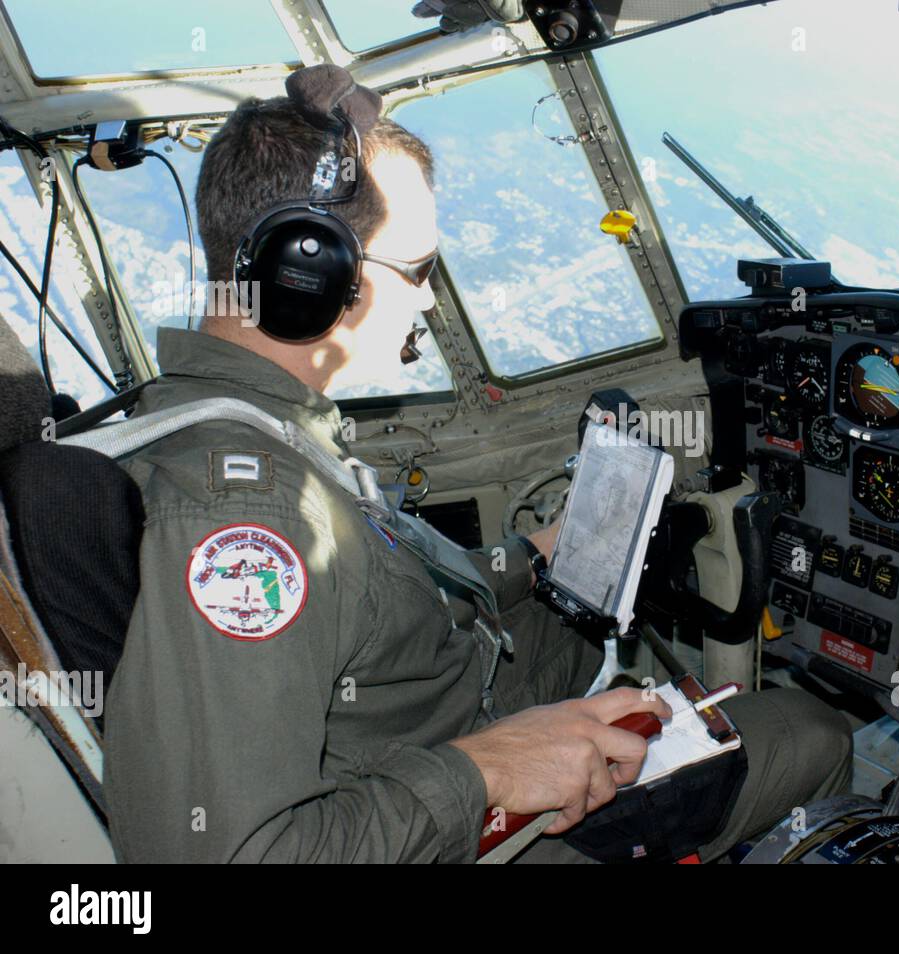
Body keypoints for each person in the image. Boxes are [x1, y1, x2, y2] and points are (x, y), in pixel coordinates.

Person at [101, 75, 852, 863]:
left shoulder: (265, 426)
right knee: (809, 730)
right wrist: (489, 769)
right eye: (419, 269)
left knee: (607, 602)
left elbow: (390, 591)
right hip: (463, 819)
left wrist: (535, 556)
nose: (427, 303)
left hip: (459, 694)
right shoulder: (248, 520)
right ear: (311, 268)